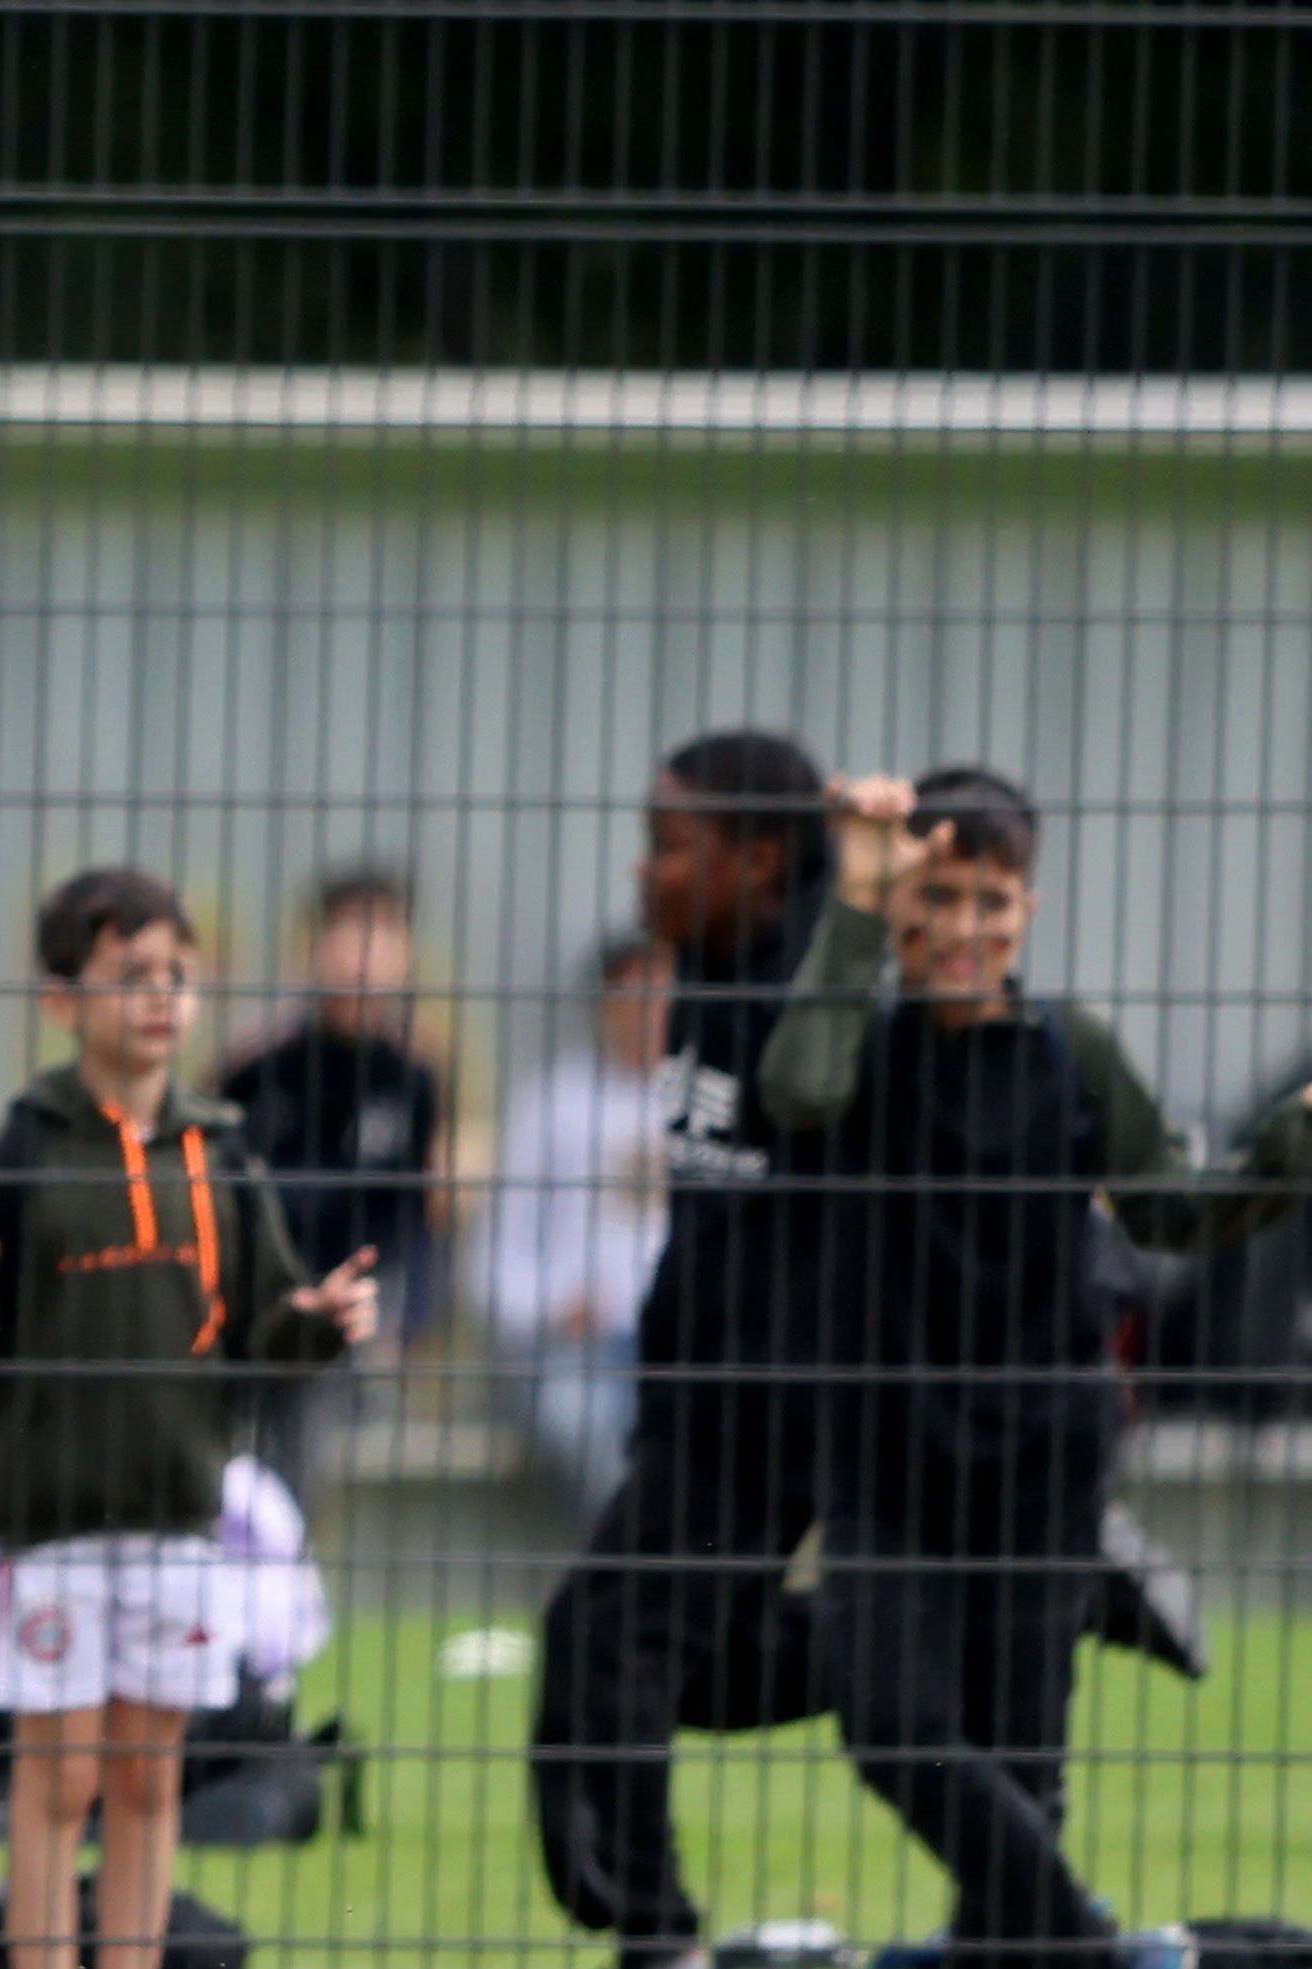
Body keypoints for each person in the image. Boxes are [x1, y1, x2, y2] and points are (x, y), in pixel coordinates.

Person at [758, 769, 1310, 1969]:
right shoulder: (858, 1038)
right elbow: (795, 1091)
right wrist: (854, 904)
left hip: (1038, 1459)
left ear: (1029, 907)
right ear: (898, 903)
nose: (961, 929)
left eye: (990, 903)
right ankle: (1097, 1950)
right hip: (884, 1459)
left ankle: (1026, 1950)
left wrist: (1289, 1144)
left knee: (1019, 1767)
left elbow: (1168, 1209)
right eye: (934, 898)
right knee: (891, 1726)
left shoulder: (1072, 1045)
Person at [0, 866, 378, 1969]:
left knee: (144, 1773)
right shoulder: (21, 1143)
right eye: (130, 976)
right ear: (62, 999)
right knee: (56, 1775)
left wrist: (318, 1320)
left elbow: (266, 1329)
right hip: (51, 1524)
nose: (161, 998)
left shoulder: (220, 1149)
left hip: (180, 1518)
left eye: (177, 975)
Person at [526, 728, 842, 1969]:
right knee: (688, 1665)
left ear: (758, 858)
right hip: (700, 1389)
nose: (638, 870)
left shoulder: (814, 986)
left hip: (779, 1397)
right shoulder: (707, 972)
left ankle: (656, 1940)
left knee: (609, 1642)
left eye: (666, 843)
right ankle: (979, 1605)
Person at [216, 865, 449, 1497]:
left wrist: (408, 1319)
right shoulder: (258, 1063)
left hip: (352, 1315)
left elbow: (418, 1216)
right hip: (250, 1301)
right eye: (349, 935)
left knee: (309, 1418)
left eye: (383, 938)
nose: (364, 958)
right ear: (313, 949)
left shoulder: (413, 1074)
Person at [466, 933, 674, 1512]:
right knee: (586, 1429)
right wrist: (556, 1308)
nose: (651, 1013)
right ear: (604, 1006)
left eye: (666, 996)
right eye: (634, 996)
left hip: (687, 1344)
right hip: (580, 1347)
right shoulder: (554, 1103)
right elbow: (491, 1264)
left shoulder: (708, 1103)